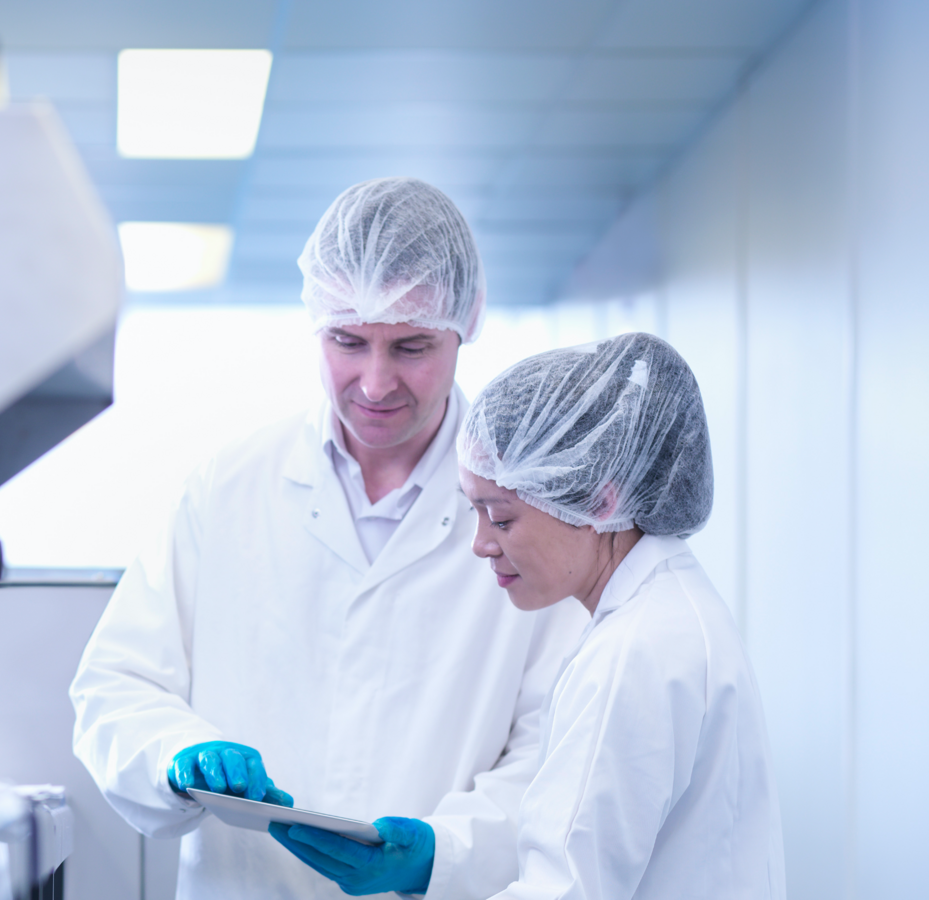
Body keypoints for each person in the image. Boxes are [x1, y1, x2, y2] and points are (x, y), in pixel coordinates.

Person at [70, 177, 589, 900]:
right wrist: (177, 753)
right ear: (315, 324)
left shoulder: (530, 515)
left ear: (465, 325)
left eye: (411, 347)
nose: (376, 384)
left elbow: (556, 745)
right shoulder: (231, 487)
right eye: (349, 342)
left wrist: (444, 852)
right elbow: (117, 684)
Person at [448, 333, 786, 899]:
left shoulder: (636, 652)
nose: (480, 544)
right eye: (474, 511)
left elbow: (564, 890)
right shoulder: (665, 611)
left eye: (501, 519)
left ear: (599, 503)